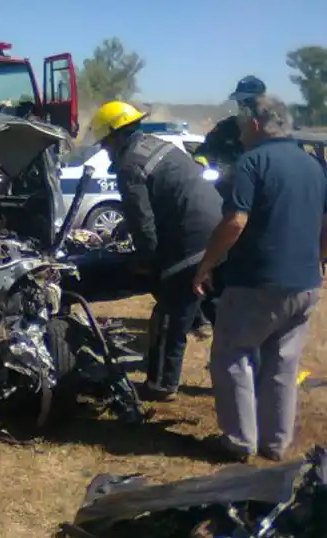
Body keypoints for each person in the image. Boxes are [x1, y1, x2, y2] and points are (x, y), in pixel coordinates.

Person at [192, 95, 327, 462]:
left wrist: (206, 264)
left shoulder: (252, 162)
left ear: (256, 125)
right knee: (282, 363)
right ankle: (276, 443)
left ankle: (240, 441)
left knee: (233, 355)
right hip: (304, 286)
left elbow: (235, 221)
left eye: (243, 125)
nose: (240, 133)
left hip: (256, 284)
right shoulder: (312, 165)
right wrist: (317, 261)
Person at [87, 100, 224, 401]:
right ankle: (233, 376)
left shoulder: (129, 164)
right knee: (221, 312)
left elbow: (143, 223)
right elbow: (160, 200)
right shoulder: (159, 146)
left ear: (116, 135)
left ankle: (161, 385)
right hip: (219, 234)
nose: (106, 150)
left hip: (190, 240)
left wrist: (145, 263)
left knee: (167, 314)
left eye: (106, 144)